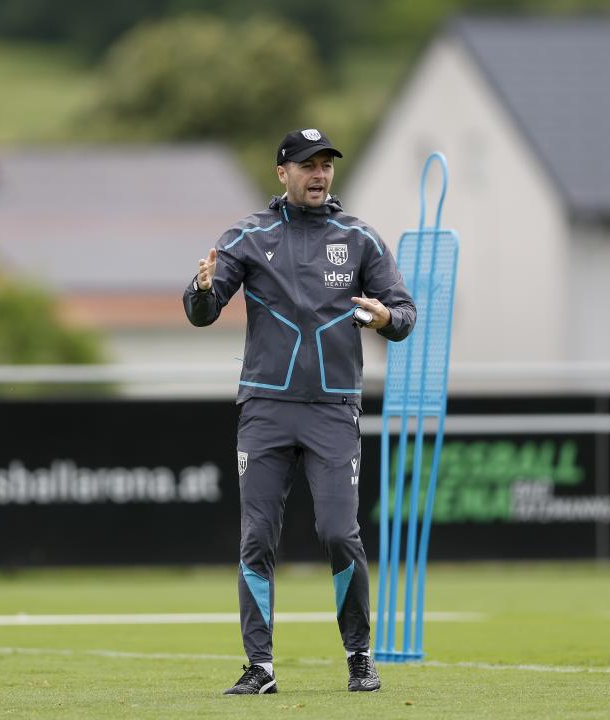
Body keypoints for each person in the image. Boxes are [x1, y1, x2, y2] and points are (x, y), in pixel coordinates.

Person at [183, 128, 416, 695]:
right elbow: (203, 311)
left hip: (333, 409)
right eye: (308, 165)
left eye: (326, 165)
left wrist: (386, 318)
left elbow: (404, 315)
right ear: (282, 172)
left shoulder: (359, 237)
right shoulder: (248, 234)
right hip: (265, 407)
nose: (319, 174)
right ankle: (259, 667)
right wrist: (201, 288)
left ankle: (359, 656)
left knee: (339, 533)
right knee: (257, 539)